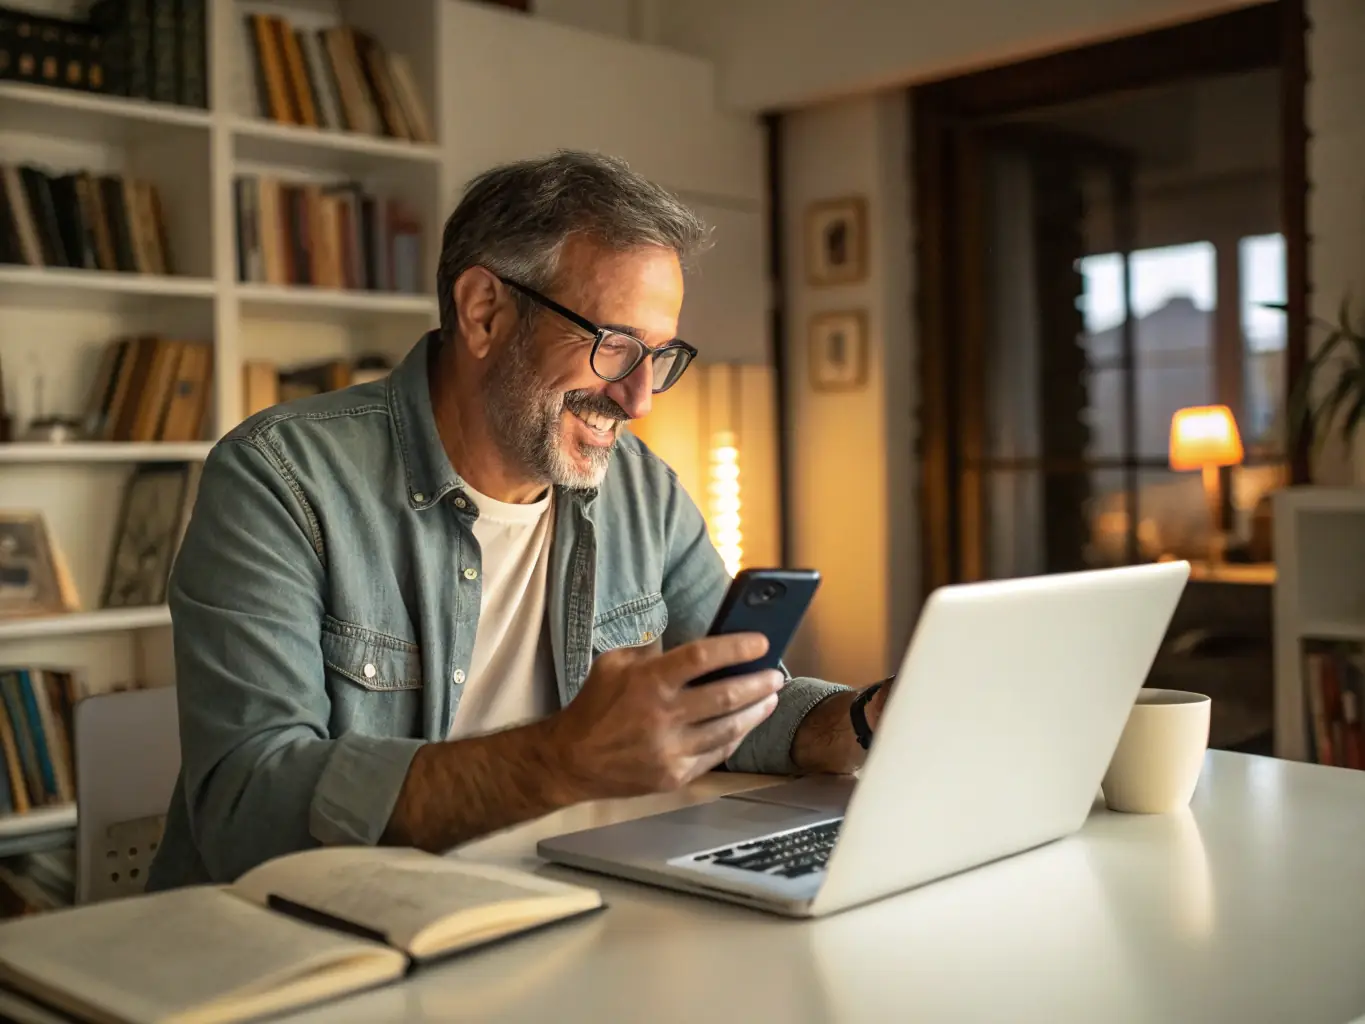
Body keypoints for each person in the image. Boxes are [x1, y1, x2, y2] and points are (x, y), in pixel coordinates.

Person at [146, 151, 891, 890]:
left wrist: (862, 720)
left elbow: (729, 701)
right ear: (484, 312)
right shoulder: (279, 480)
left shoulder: (642, 490)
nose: (639, 400)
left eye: (659, 356)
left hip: (555, 903)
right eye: (614, 346)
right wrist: (560, 758)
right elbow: (247, 811)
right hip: (320, 929)